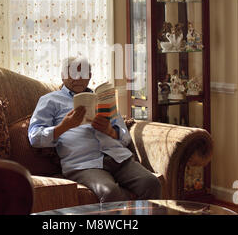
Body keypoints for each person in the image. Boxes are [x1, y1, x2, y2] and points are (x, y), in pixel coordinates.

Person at [28, 57, 162, 203]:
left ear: (90, 76)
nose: (77, 78)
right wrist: (64, 126)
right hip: (83, 163)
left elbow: (125, 137)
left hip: (118, 158)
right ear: (62, 75)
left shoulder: (103, 98)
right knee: (110, 192)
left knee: (151, 183)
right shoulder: (50, 100)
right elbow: (35, 137)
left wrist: (110, 131)